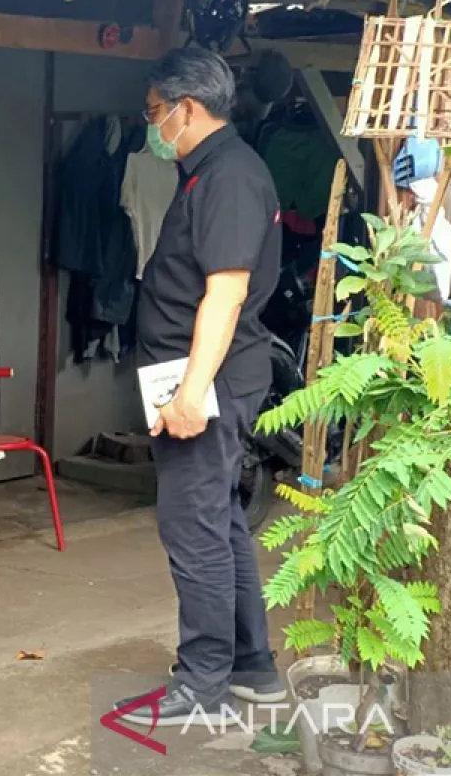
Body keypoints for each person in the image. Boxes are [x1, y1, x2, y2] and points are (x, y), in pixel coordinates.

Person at [114, 47, 286, 728]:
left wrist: (190, 393)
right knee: (219, 521)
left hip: (207, 383)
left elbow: (226, 293)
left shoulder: (230, 176)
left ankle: (203, 680)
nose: (151, 125)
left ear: (186, 108)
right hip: (200, 377)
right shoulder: (212, 171)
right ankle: (250, 665)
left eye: (155, 111)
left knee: (192, 527)